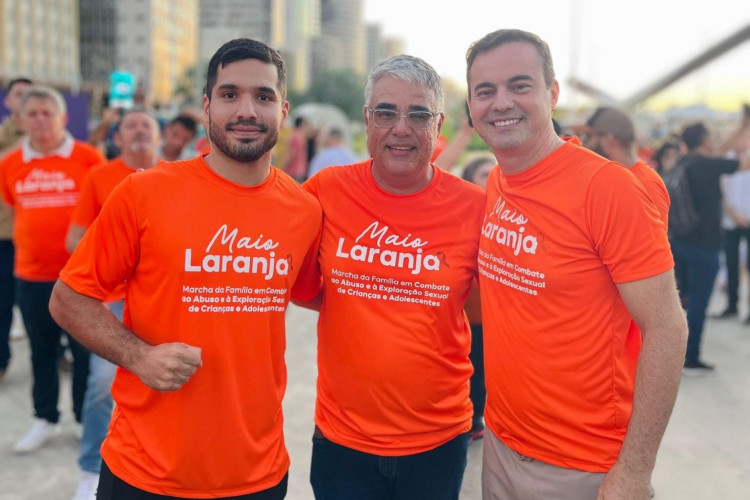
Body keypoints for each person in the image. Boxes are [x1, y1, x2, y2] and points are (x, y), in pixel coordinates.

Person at [48, 38, 322, 499]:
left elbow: (323, 297)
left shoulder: (304, 210)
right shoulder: (146, 193)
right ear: (206, 106)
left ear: (283, 109)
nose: (247, 110)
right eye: (230, 94)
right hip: (143, 470)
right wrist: (139, 357)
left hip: (256, 472)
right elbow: (68, 297)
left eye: (264, 96)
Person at [466, 29, 687, 500]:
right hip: (503, 447)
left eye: (519, 85)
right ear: (471, 106)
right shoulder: (498, 184)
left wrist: (634, 471)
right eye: (485, 91)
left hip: (583, 467)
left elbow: (667, 327)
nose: (500, 102)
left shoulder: (605, 187)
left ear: (552, 93)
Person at [299, 55, 485, 500]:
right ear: (367, 119)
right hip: (342, 440)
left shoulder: (475, 207)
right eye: (386, 112)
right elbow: (297, 281)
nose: (401, 128)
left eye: (418, 114)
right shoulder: (326, 190)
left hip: (437, 441)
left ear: (437, 125)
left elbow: (486, 310)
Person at [0, 86, 105, 452]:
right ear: (22, 119)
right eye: (34, 113)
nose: (41, 120)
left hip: (80, 278)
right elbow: (13, 204)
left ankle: (82, 419)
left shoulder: (89, 157)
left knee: (84, 354)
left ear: (62, 118)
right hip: (30, 275)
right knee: (40, 352)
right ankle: (44, 418)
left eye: (49, 113)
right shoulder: (9, 164)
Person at [66, 109, 162, 500]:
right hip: (116, 300)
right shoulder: (99, 177)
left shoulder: (180, 174)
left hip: (165, 298)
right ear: (117, 138)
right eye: (130, 127)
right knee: (102, 386)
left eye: (146, 126)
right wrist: (122, 252)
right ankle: (90, 468)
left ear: (159, 136)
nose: (139, 132)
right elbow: (74, 241)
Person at [670, 119, 750, 371]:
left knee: (680, 300)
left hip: (679, 241)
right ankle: (690, 357)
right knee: (699, 304)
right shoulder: (709, 165)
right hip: (704, 246)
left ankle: (673, 353)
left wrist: (742, 124)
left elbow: (718, 150)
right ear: (705, 140)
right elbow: (744, 162)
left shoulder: (684, 162)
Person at [576, 106, 670, 228]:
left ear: (609, 140)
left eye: (588, 137)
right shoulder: (610, 177)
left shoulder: (645, 183)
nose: (584, 144)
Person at [460, 155, 495, 443]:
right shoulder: (459, 213)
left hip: (492, 316)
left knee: (483, 371)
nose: (492, 177)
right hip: (461, 313)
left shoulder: (508, 214)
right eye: (485, 173)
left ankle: (476, 418)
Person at [0, 77, 32, 383]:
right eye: (18, 96)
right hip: (5, 234)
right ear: (8, 101)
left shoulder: (51, 140)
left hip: (37, 236)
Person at [717, 129, 750, 322]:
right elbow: (720, 192)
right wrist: (733, 214)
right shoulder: (726, 161)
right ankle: (732, 305)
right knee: (731, 264)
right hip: (730, 221)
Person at [281, 116, 310, 182]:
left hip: (293, 171)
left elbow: (291, 154)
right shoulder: (301, 136)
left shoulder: (294, 136)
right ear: (302, 124)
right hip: (300, 170)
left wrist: (283, 166)